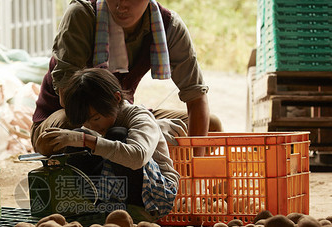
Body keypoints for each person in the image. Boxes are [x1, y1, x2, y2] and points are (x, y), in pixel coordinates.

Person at [31, 0, 222, 157]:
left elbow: (196, 98)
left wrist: (197, 165)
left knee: (210, 128)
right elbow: (67, 99)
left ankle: (195, 192)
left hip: (118, 113)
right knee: (68, 130)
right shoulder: (83, 15)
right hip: (72, 115)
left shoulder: (168, 26)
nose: (121, 5)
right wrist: (148, 130)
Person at [40, 67, 180, 220]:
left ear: (117, 98)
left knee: (116, 135)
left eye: (95, 119)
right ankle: (94, 206)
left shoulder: (139, 117)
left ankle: (137, 211)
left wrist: (84, 140)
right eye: (86, 121)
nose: (92, 125)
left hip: (157, 194)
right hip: (115, 190)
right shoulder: (95, 126)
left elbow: (137, 157)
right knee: (80, 140)